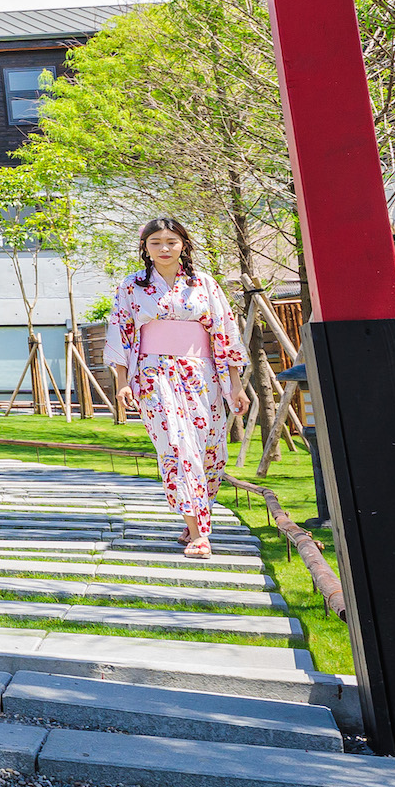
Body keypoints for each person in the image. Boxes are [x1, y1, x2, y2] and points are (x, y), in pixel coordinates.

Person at [105, 216, 249, 560]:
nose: (164, 249)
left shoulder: (204, 284)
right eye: (155, 243)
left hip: (202, 376)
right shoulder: (131, 287)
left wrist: (236, 384)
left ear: (183, 244)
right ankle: (200, 533)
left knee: (209, 452)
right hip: (155, 376)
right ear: (145, 248)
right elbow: (120, 334)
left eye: (171, 241)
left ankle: (196, 514)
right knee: (177, 447)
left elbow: (225, 332)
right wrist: (122, 384)